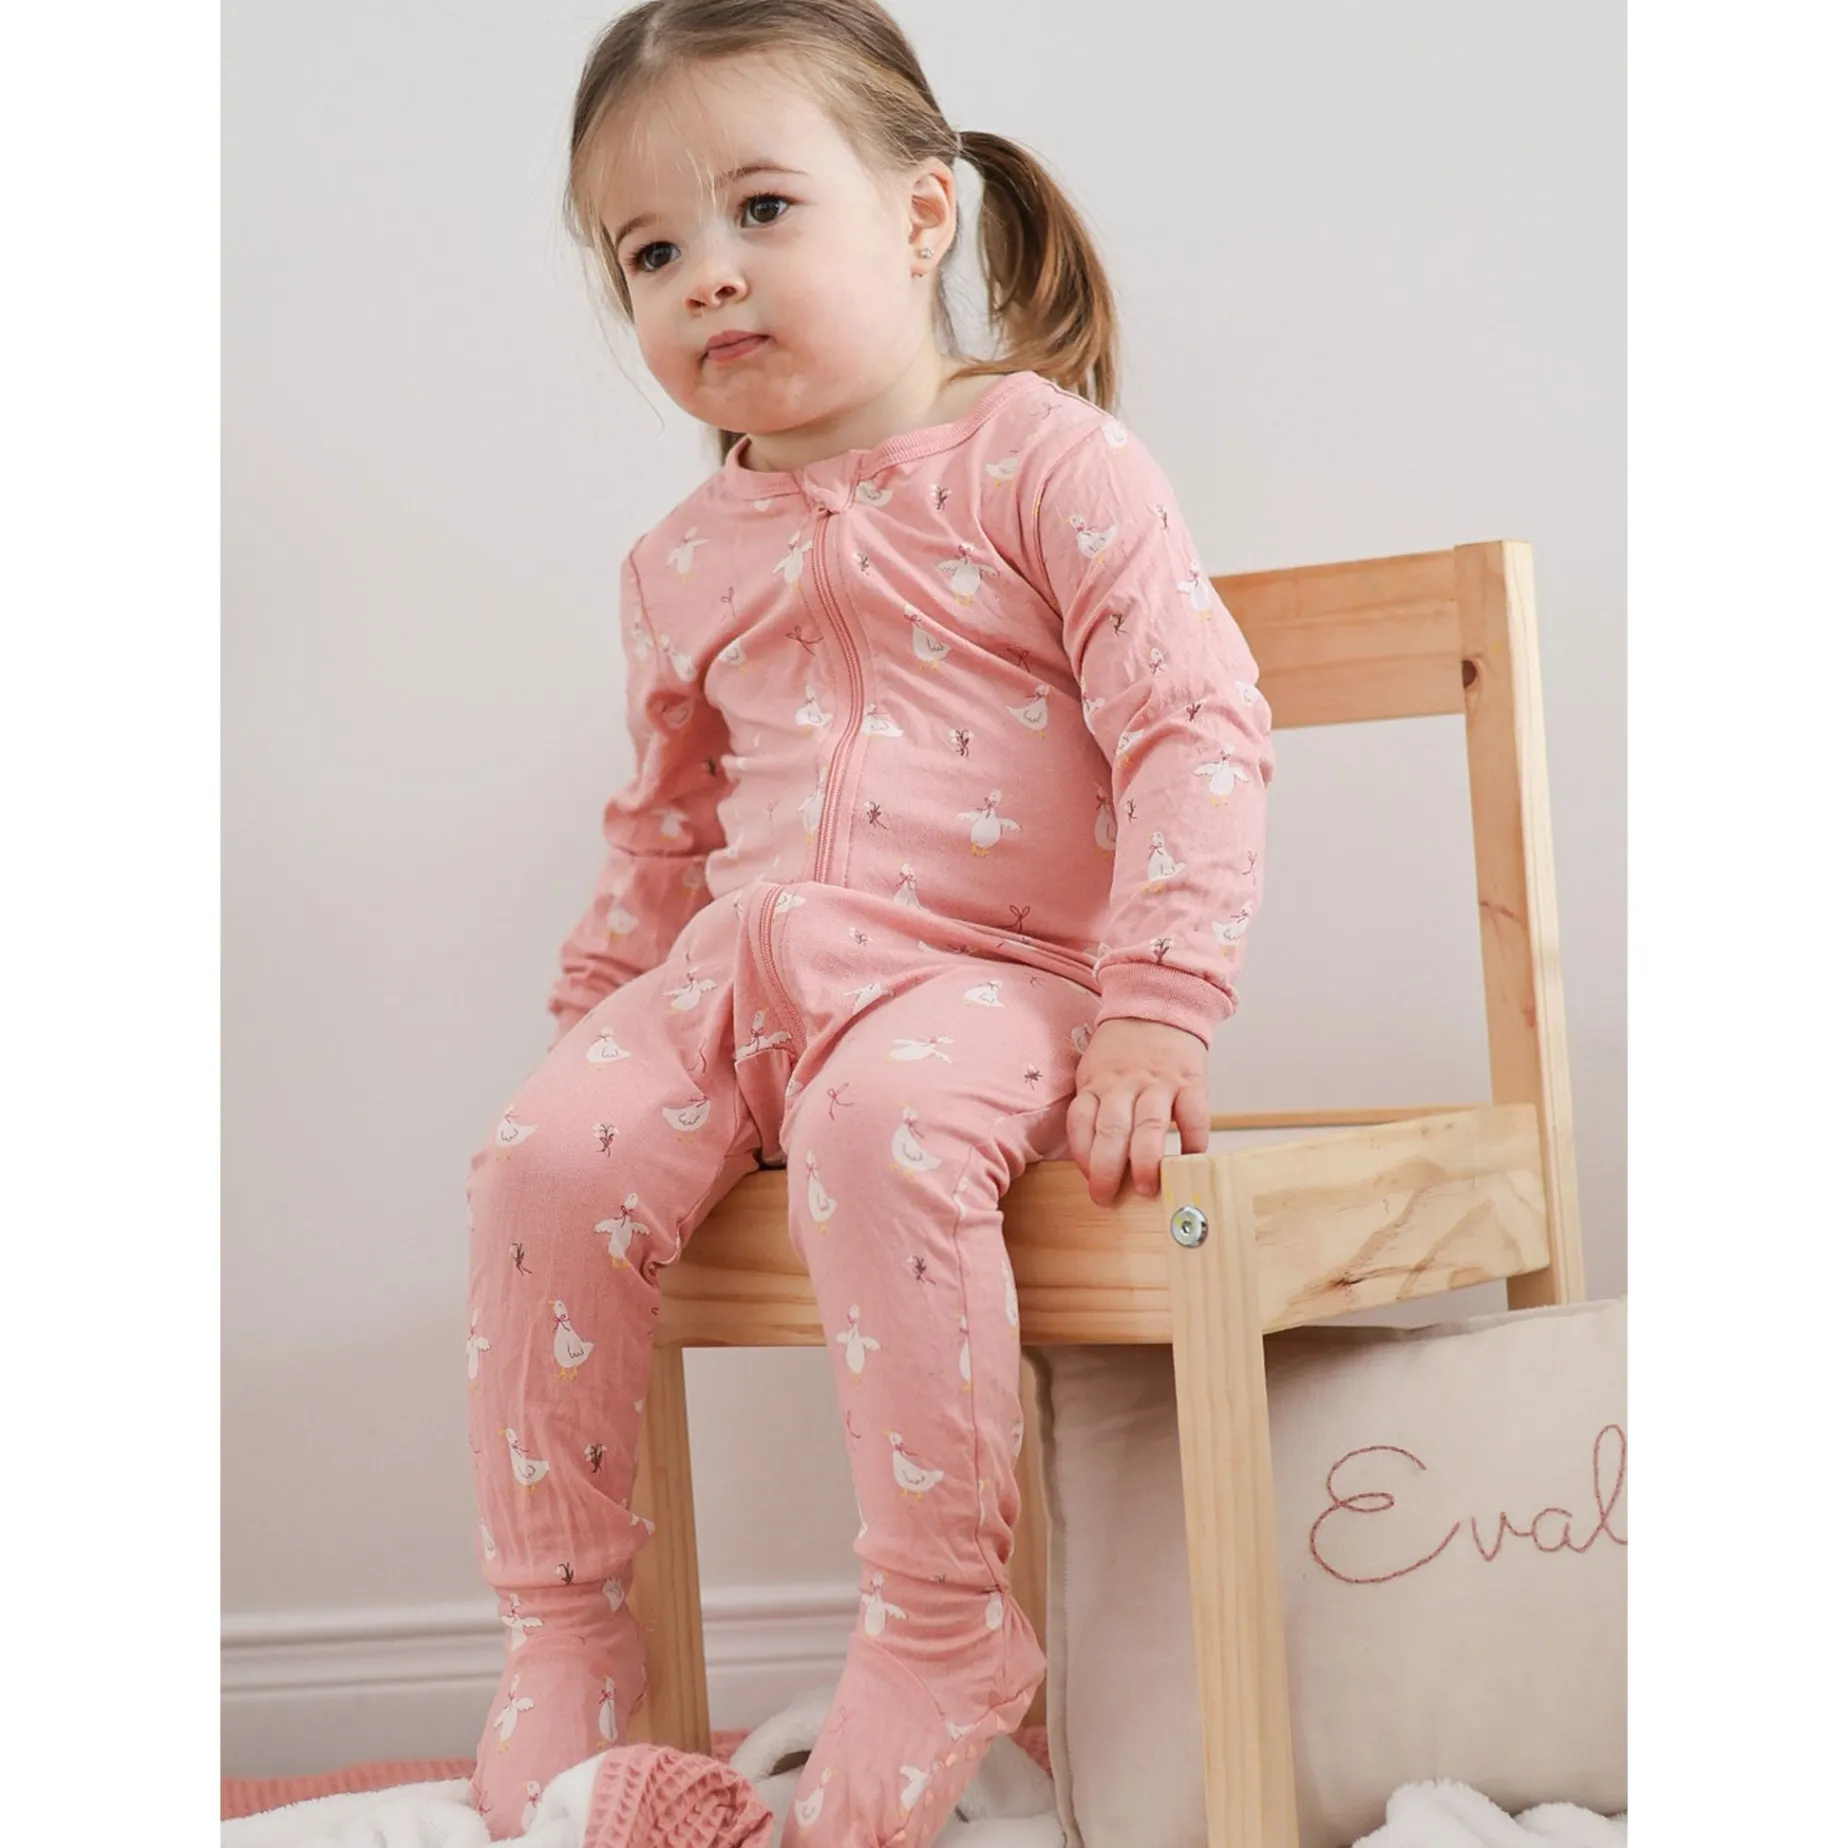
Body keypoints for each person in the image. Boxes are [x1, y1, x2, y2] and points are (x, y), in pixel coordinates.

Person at [462, 1, 1276, 1839]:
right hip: (738, 979)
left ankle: (936, 1625)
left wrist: (1160, 1000)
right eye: (650, 252)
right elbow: (664, 825)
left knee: (877, 1123)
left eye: (761, 210)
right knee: (539, 1159)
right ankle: (564, 1631)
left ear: (921, 216)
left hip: (997, 981)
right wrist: (601, 1021)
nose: (706, 275)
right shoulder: (680, 558)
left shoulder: (1045, 462)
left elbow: (1194, 723)